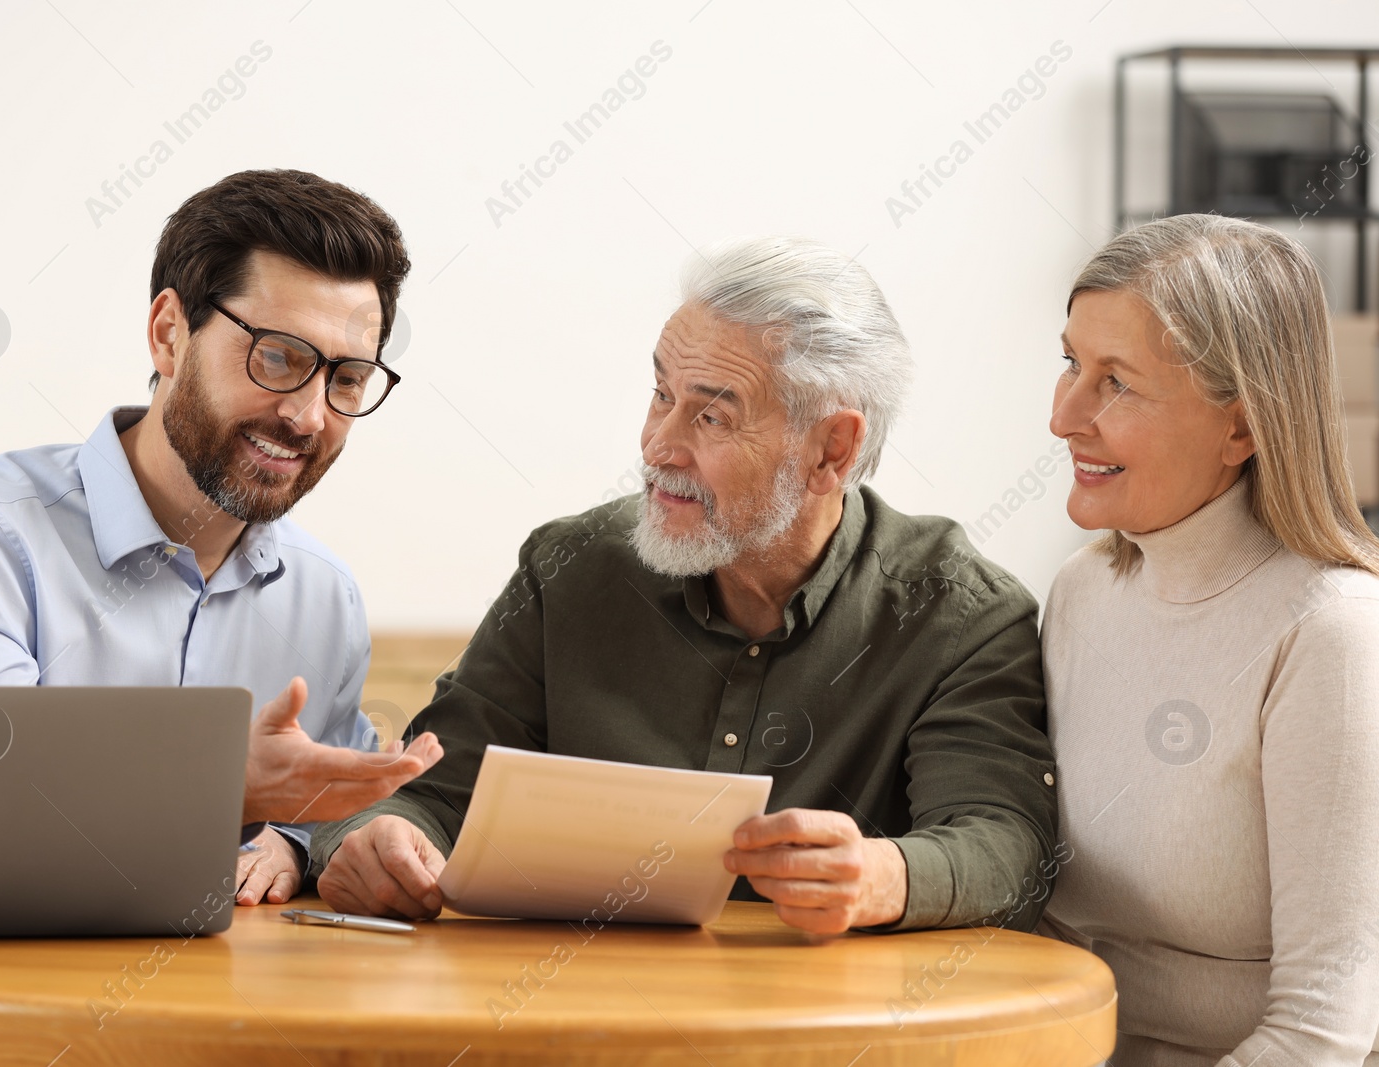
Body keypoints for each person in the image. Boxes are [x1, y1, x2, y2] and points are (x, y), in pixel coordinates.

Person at [295, 235, 1060, 934]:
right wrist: (380, 838)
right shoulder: (568, 568)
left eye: (712, 418)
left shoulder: (960, 615)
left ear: (833, 448)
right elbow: (432, 788)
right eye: (662, 394)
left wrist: (883, 876)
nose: (658, 445)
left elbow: (1004, 839)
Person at [0, 169, 442, 908]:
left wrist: (300, 841)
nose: (308, 416)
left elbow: (316, 813)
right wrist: (221, 786)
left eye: (347, 378)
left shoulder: (324, 595)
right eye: (277, 356)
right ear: (169, 333)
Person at [1041, 214, 1379, 1065]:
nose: (1064, 417)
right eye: (1071, 363)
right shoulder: (1084, 592)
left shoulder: (1331, 634)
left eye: (1116, 382)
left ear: (1242, 427)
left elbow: (1323, 1034)